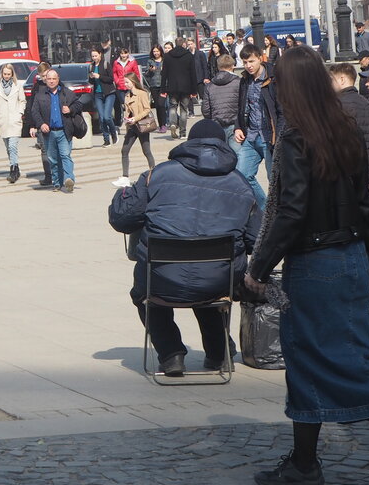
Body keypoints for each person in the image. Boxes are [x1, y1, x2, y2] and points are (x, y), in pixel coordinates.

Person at [245, 46, 369, 485]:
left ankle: (304, 465)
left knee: (307, 360)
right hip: (352, 257)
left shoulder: (298, 138)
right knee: (355, 356)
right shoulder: (347, 130)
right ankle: (302, 462)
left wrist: (259, 267)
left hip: (315, 263)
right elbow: (364, 204)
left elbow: (291, 212)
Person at [110, 120, 259, 377]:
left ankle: (171, 354)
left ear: (188, 143)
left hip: (162, 275)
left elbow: (122, 219)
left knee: (145, 290)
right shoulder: (241, 183)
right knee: (209, 283)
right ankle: (219, 353)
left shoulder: (156, 175)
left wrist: (122, 196)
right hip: (220, 279)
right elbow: (256, 239)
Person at [235, 44, 281, 209]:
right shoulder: (244, 81)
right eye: (245, 62)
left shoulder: (273, 79)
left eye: (252, 61)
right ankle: (264, 209)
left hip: (269, 138)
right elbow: (240, 108)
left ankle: (276, 214)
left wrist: (280, 137)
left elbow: (280, 111)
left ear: (261, 58)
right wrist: (238, 127)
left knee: (274, 179)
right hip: (251, 136)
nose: (249, 66)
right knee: (242, 176)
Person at [28, 68, 83, 193]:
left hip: (64, 131)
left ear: (58, 80)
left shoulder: (66, 92)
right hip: (49, 132)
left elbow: (78, 104)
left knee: (65, 155)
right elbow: (34, 111)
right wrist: (41, 124)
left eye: (54, 79)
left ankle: (69, 179)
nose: (52, 81)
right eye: (49, 79)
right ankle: (57, 183)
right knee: (53, 159)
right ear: (45, 80)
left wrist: (70, 109)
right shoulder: (40, 94)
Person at [328, 63, 369, 187]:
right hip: (367, 173)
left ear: (342, 79)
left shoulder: (339, 106)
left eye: (332, 79)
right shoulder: (366, 102)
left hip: (353, 175)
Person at [114, 73, 156, 187]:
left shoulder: (142, 93)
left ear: (133, 82)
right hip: (132, 127)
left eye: (127, 82)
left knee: (146, 151)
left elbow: (147, 109)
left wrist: (135, 118)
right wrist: (126, 120)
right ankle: (125, 177)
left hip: (142, 126)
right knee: (124, 150)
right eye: (125, 82)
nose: (125, 84)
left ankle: (154, 174)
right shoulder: (127, 95)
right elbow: (128, 111)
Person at [0, 62, 26, 184]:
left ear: (12, 74)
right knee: (8, 148)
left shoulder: (18, 86)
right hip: (2, 121)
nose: (6, 76)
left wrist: (20, 113)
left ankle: (13, 170)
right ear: (2, 74)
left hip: (14, 120)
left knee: (12, 146)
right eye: (5, 74)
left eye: (9, 74)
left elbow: (22, 101)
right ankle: (16, 166)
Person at [22, 61, 54, 188]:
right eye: (43, 76)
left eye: (47, 75)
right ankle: (48, 176)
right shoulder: (37, 87)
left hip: (55, 123)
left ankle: (58, 174)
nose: (46, 78)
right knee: (44, 150)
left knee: (56, 150)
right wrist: (31, 125)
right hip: (41, 123)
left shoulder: (56, 85)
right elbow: (31, 107)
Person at [201, 54, 242, 153]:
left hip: (217, 124)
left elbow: (205, 110)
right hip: (235, 124)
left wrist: (212, 118)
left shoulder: (210, 85)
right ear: (232, 66)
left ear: (218, 67)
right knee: (238, 156)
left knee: (220, 156)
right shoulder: (239, 82)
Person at [162, 37, 197, 140]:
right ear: (183, 44)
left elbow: (164, 74)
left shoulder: (168, 56)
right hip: (186, 87)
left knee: (172, 107)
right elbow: (193, 74)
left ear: (175, 44)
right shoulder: (189, 56)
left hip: (172, 87)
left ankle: (172, 123)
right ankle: (183, 133)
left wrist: (163, 89)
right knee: (183, 110)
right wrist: (194, 90)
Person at [88, 49, 116, 148]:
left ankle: (113, 132)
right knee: (101, 117)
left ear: (100, 55)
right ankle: (106, 139)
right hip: (98, 94)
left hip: (109, 93)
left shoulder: (105, 64)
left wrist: (99, 76)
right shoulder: (91, 66)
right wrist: (91, 77)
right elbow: (91, 82)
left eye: (96, 55)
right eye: (93, 56)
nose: (94, 58)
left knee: (107, 116)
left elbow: (111, 79)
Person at [146, 45, 168, 132]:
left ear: (160, 51)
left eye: (157, 51)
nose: (156, 53)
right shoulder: (150, 61)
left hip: (164, 85)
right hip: (154, 85)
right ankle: (161, 124)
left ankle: (165, 123)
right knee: (158, 106)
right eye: (154, 51)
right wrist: (150, 70)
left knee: (162, 104)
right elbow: (146, 74)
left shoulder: (165, 60)